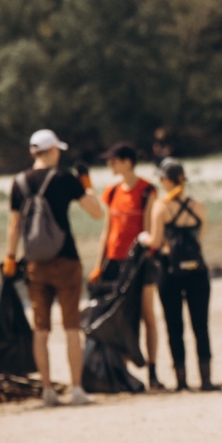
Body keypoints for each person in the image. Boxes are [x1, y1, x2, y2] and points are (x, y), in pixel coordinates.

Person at [3, 129, 105, 407]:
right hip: (66, 260)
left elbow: (13, 225)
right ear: (51, 151)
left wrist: (11, 257)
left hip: (34, 263)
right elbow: (97, 213)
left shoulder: (19, 182)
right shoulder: (64, 179)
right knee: (72, 327)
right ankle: (76, 389)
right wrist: (86, 184)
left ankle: (47, 390)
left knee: (41, 329)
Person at [89, 142, 164, 390]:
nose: (110, 164)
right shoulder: (111, 192)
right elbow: (107, 231)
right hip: (113, 263)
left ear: (128, 162)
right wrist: (99, 265)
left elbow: (149, 231)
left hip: (140, 263)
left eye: (114, 160)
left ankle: (153, 371)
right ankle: (121, 374)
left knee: (146, 315)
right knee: (118, 318)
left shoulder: (146, 191)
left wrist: (144, 259)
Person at [139, 158, 219, 391]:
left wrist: (143, 238)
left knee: (175, 327)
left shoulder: (161, 207)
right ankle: (206, 379)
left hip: (169, 270)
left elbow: (155, 240)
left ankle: (181, 381)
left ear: (165, 180)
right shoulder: (199, 206)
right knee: (201, 326)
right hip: (197, 270)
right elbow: (199, 237)